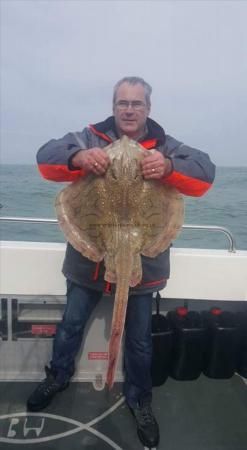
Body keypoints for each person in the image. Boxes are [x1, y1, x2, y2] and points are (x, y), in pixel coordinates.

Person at [27, 76, 215, 448]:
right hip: (88, 261)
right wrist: (78, 157)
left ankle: (139, 399)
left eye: (137, 103)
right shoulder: (89, 137)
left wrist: (169, 167)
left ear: (148, 108)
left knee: (140, 341)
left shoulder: (166, 146)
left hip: (142, 264)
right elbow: (45, 158)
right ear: (113, 107)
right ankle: (58, 376)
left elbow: (205, 173)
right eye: (122, 103)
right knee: (71, 325)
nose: (129, 110)